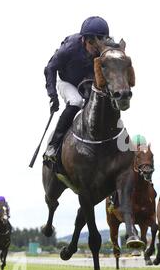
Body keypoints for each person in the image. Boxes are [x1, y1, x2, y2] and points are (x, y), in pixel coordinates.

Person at [43, 16, 110, 163]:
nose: (97, 50)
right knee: (76, 101)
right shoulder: (69, 48)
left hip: (86, 82)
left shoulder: (102, 49)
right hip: (65, 80)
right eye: (94, 44)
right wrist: (52, 96)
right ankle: (53, 146)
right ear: (85, 40)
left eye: (101, 43)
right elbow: (50, 68)